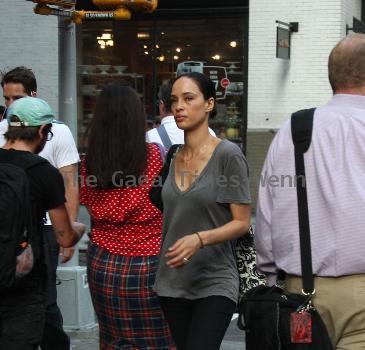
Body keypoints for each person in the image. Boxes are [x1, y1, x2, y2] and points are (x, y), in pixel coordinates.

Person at [255, 33, 365, 349]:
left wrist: (270, 277)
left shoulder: (295, 129)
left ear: (332, 76)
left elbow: (267, 214)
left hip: (300, 296)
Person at [153, 72, 251, 350]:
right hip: (172, 280)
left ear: (209, 104)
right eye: (174, 100)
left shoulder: (228, 155)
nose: (178, 107)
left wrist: (199, 238)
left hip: (215, 280)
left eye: (188, 98)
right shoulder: (172, 156)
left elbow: (241, 222)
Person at [80, 82, 175, 350]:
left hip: (103, 262)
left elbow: (88, 205)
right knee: (158, 339)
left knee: (113, 338)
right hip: (150, 261)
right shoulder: (155, 156)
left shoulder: (89, 161)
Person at [0, 66, 80, 350]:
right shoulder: (43, 172)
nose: (11, 105)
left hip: (38, 232)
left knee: (42, 306)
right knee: (40, 303)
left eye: (17, 98)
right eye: (7, 99)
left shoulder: (59, 134)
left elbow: (71, 182)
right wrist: (74, 229)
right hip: (31, 241)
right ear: (43, 131)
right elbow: (67, 235)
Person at [146, 79, 215, 148]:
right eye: (174, 100)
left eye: (188, 98)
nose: (179, 106)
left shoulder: (151, 136)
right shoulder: (209, 133)